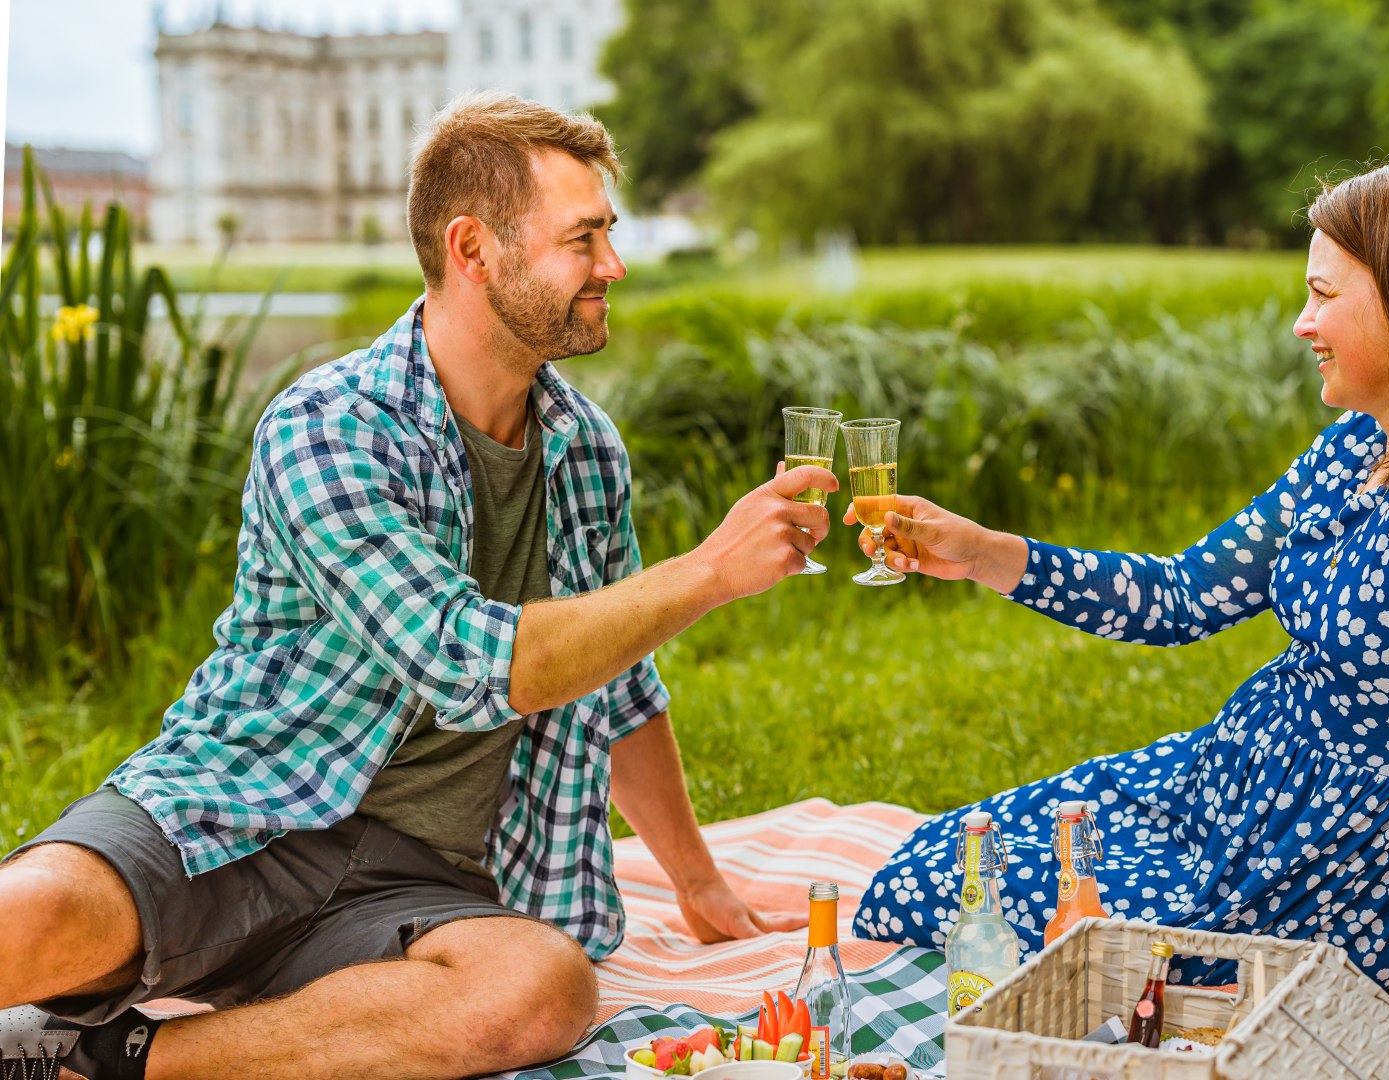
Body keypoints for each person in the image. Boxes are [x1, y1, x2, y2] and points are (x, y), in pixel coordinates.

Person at [0, 93, 834, 1080]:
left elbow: (621, 688)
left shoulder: (586, 452)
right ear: (473, 248)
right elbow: (464, 660)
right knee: (37, 909)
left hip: (418, 884)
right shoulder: (330, 423)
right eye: (583, 239)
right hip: (240, 813)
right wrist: (706, 574)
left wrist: (702, 888)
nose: (613, 267)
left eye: (608, 235)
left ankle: (103, 1058)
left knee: (542, 990)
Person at [850, 158, 1389, 1080]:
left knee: (1012, 918)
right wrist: (982, 553)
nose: (1303, 322)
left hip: (1334, 864)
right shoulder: (1362, 441)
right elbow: (1179, 596)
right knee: (928, 870)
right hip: (1231, 784)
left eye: (1324, 295)